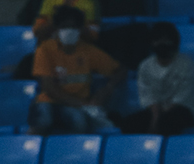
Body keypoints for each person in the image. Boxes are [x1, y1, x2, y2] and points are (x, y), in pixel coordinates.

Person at [29, 5, 125, 134]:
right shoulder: (45, 50)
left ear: (80, 29)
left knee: (78, 122)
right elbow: (49, 88)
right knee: (44, 119)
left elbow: (120, 70)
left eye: (73, 27)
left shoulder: (88, 51)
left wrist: (107, 89)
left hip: (77, 106)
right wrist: (82, 104)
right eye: (64, 26)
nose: (69, 30)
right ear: (56, 29)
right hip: (50, 102)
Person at [119, 22, 194, 137]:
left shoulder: (186, 64)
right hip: (157, 111)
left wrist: (159, 121)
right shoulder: (145, 66)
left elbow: (181, 98)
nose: (162, 44)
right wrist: (155, 118)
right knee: (128, 124)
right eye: (158, 41)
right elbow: (148, 97)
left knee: (166, 123)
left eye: (166, 40)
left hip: (184, 109)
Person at [33, 0, 100, 43]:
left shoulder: (89, 2)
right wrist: (57, 20)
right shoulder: (50, 1)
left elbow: (93, 35)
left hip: (80, 51)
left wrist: (74, 24)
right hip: (53, 49)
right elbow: (37, 31)